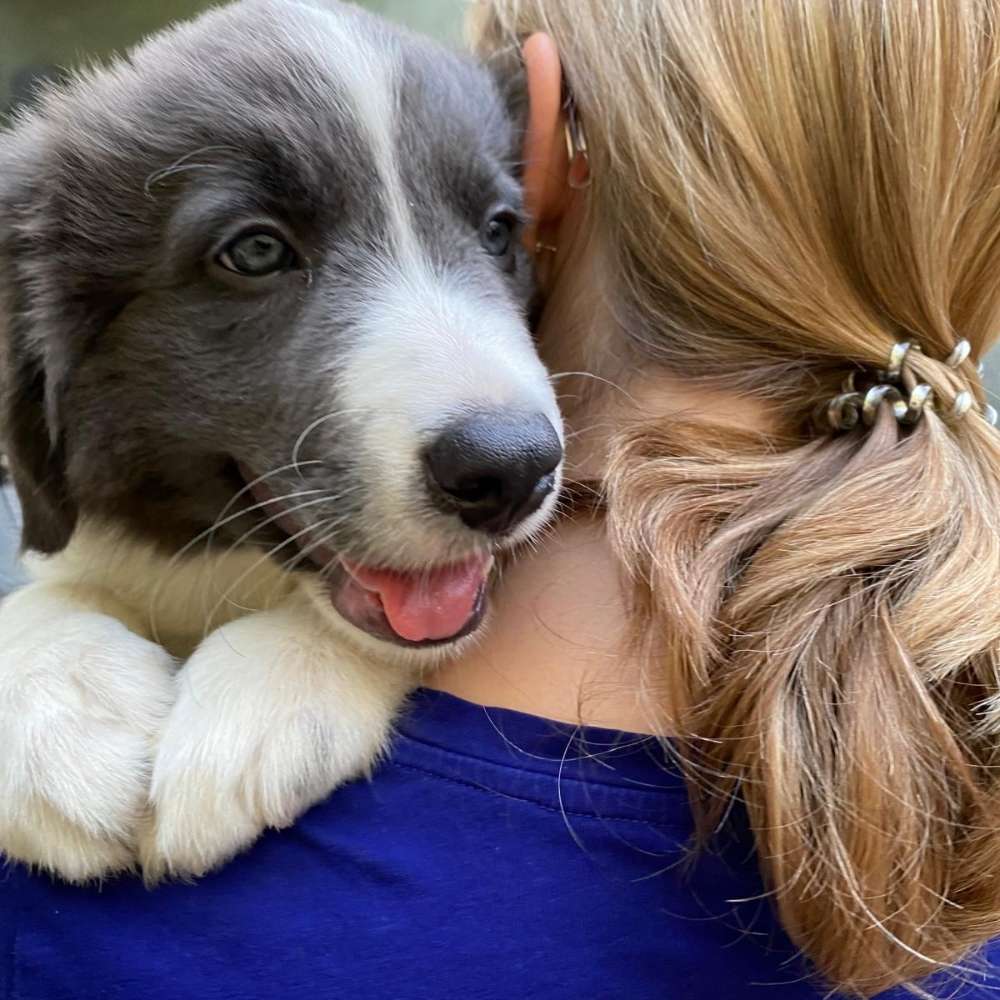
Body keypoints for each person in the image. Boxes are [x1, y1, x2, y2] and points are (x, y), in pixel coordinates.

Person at [3, 1, 1000, 998]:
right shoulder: (955, 773)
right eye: (254, 252)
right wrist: (51, 624)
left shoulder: (68, 932)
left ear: (546, 152)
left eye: (491, 229)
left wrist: (333, 653)